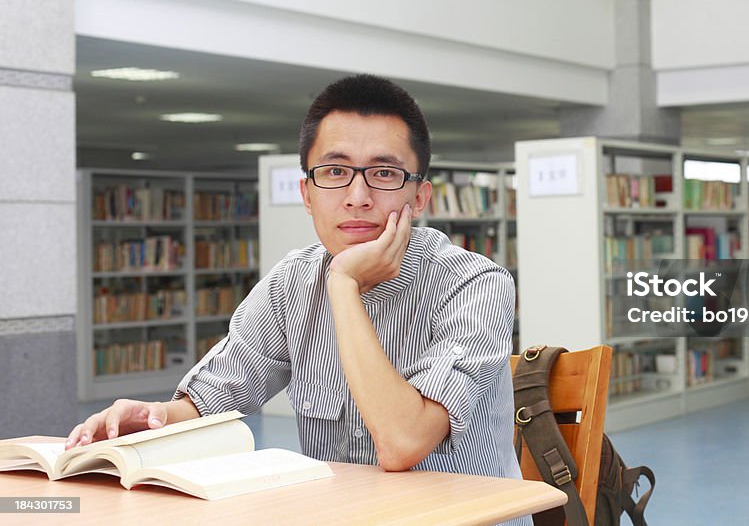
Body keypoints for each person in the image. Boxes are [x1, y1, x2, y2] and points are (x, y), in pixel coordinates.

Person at [66, 74, 522, 485]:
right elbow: (214, 398)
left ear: (420, 196)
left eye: (384, 173)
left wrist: (344, 285)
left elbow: (402, 443)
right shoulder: (292, 283)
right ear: (306, 193)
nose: (357, 197)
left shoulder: (476, 284)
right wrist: (151, 418)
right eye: (335, 172)